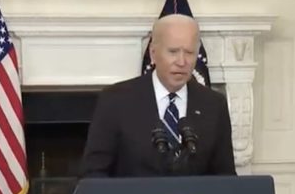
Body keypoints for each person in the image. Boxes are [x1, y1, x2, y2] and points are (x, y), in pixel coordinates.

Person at [79, 14, 236, 178]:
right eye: (173, 52)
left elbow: (226, 178)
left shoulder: (214, 105)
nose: (182, 62)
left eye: (189, 53)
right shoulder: (115, 101)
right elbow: (93, 175)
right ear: (153, 54)